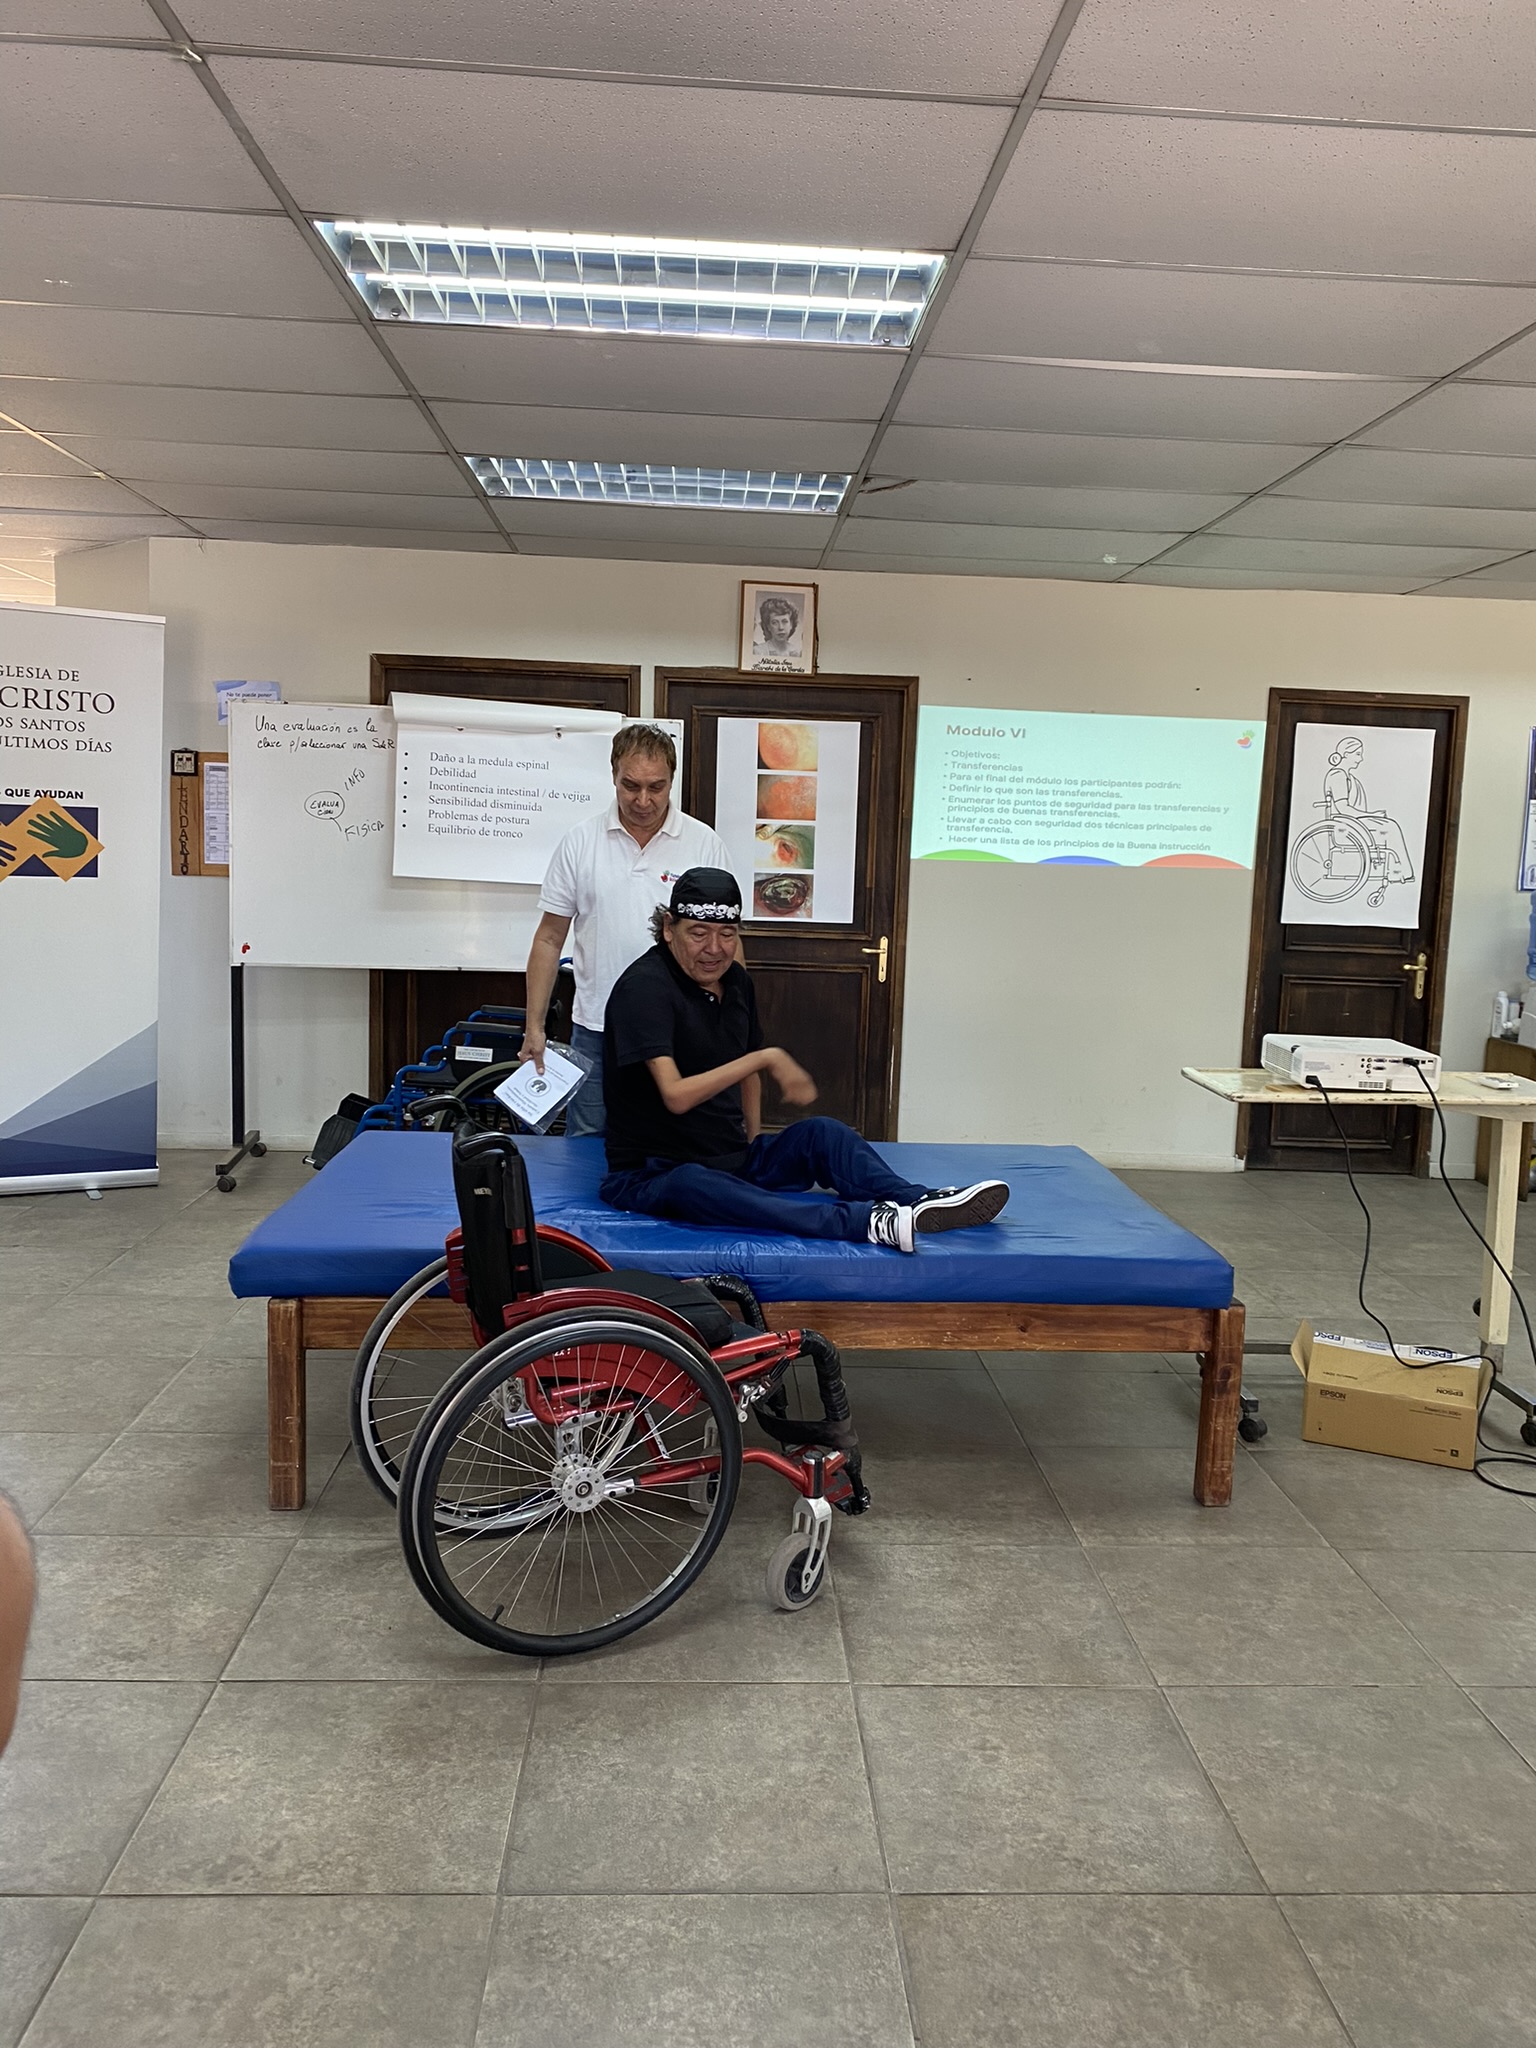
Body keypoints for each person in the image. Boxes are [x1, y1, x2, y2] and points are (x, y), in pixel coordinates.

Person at [599, 867, 1008, 1251]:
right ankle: (866, 1223)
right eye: (698, 933)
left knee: (822, 1133)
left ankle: (918, 1200)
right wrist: (766, 1058)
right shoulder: (645, 989)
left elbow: (749, 1075)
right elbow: (676, 1095)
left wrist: (751, 1146)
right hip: (653, 1173)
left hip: (729, 1160)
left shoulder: (735, 982)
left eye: (727, 934)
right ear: (668, 928)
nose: (714, 949)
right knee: (693, 1183)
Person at [519, 724, 731, 1138]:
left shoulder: (704, 844)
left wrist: (727, 1026)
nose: (643, 800)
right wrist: (535, 1028)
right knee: (588, 1144)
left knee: (680, 1142)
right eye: (630, 786)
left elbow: (724, 943)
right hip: (598, 1028)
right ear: (613, 775)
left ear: (672, 780)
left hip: (681, 1029)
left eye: (657, 787)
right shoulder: (580, 842)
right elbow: (548, 939)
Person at [752, 593, 803, 670]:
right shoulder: (758, 651)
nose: (781, 628)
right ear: (768, 626)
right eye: (775, 622)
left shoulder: (798, 652)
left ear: (791, 625)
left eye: (785, 621)